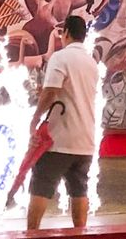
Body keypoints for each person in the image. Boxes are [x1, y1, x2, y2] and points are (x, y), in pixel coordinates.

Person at [27, 14, 100, 230]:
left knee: (41, 187)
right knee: (79, 190)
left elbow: (51, 92)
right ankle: (80, 232)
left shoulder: (60, 58)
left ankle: (31, 233)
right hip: (85, 139)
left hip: (58, 139)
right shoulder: (91, 63)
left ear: (65, 32)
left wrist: (35, 118)